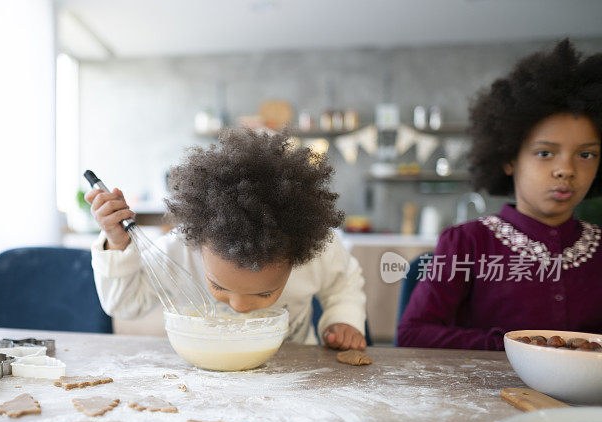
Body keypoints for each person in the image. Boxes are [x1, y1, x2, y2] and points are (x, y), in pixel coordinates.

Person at [397, 39, 602, 350]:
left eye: (586, 155)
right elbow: (413, 334)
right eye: (545, 153)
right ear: (509, 158)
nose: (566, 170)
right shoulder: (465, 243)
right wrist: (515, 346)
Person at [86, 128, 367, 350]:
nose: (240, 306)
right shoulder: (178, 249)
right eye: (218, 286)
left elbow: (344, 284)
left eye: (264, 293)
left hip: (295, 369)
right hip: (204, 372)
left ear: (297, 256)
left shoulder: (319, 251)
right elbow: (123, 305)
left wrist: (343, 320)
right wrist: (117, 243)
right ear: (199, 241)